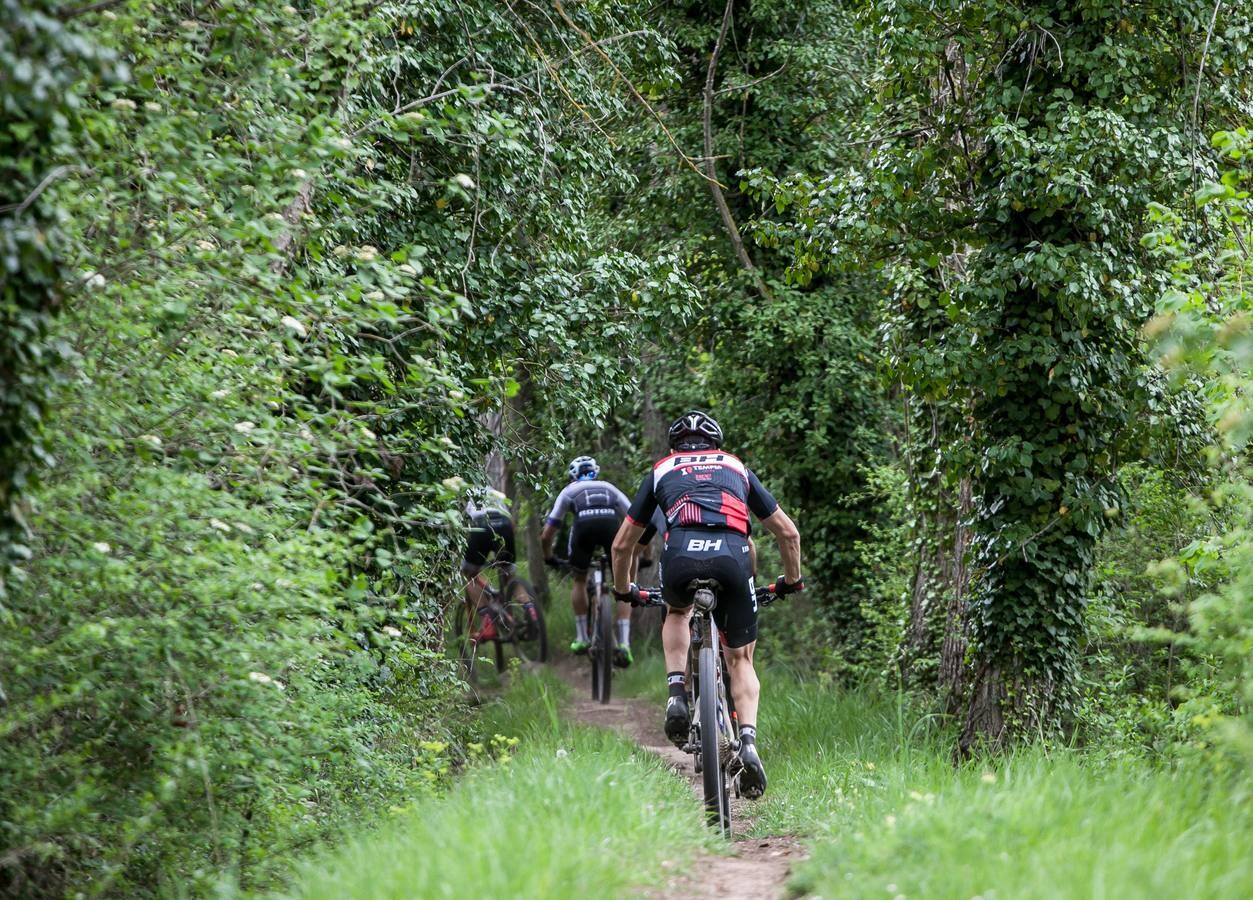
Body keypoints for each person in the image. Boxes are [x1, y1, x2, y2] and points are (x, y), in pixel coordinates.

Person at [610, 411, 803, 799]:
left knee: (678, 611)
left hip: (680, 555)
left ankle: (677, 693)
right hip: (732, 557)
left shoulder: (662, 470)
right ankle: (747, 741)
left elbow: (622, 544)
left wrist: (623, 591)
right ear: (717, 444)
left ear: (674, 446)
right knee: (741, 660)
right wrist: (791, 581)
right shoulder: (736, 467)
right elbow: (788, 532)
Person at [541, 455, 636, 667]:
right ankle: (624, 643)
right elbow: (635, 519)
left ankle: (582, 637)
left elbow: (548, 533)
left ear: (573, 475)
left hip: (583, 529)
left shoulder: (569, 491)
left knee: (580, 580)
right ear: (596, 472)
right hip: (611, 526)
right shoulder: (609, 488)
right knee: (623, 584)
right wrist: (644, 555)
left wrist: (548, 557)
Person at [460, 488, 536, 640]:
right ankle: (531, 610)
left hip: (481, 526)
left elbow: (462, 528)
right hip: (505, 525)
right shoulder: (494, 492)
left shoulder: (464, 493)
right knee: (509, 575)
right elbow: (511, 523)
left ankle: (487, 622)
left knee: (469, 576)